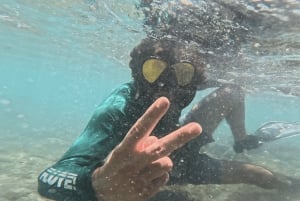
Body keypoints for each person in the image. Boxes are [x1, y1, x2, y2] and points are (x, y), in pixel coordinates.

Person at [38, 38, 299, 201]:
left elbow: (235, 83)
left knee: (256, 169)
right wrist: (96, 185)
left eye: (182, 74)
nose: (166, 84)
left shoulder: (187, 84)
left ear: (192, 80)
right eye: (153, 70)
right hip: (136, 174)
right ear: (137, 73)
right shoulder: (119, 106)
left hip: (181, 152)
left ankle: (243, 141)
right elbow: (50, 178)